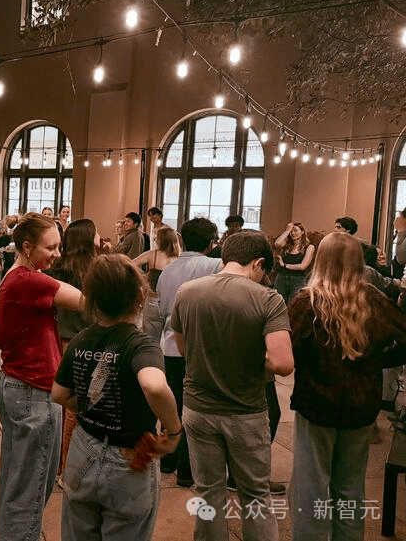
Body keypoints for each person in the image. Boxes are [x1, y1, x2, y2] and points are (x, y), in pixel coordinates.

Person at [172, 231, 293, 541]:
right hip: (246, 412)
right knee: (255, 495)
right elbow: (283, 363)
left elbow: (183, 349)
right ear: (259, 263)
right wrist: (250, 358)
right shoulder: (268, 299)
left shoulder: (187, 292)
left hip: (198, 409)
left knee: (207, 493)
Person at [52, 254, 182, 541]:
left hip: (83, 449)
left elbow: (58, 393)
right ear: (140, 296)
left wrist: (86, 406)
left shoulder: (81, 339)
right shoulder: (140, 345)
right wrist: (173, 431)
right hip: (128, 458)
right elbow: (154, 386)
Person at [288, 232, 406, 540]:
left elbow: (288, 352)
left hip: (316, 402)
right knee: (351, 485)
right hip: (361, 405)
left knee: (311, 484)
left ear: (321, 260)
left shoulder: (306, 302)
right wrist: (378, 360)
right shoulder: (374, 300)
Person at [0, 213, 83, 541]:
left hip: (23, 386)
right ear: (27, 247)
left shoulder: (20, 275)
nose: (57, 254)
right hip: (33, 391)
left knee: (19, 482)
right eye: (51, 247)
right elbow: (84, 300)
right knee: (30, 490)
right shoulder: (28, 280)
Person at [154, 218, 222, 488]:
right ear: (211, 242)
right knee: (194, 411)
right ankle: (186, 471)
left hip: (170, 347)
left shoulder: (167, 271)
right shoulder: (215, 266)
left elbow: (161, 311)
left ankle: (167, 460)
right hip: (202, 348)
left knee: (172, 406)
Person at [48, 219, 99, 477]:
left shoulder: (55, 267)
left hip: (55, 341)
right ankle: (67, 469)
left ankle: (55, 464)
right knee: (75, 409)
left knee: (56, 405)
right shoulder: (95, 270)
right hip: (83, 344)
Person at [133, 226, 180, 342]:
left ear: (162, 240)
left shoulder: (152, 255)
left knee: (150, 339)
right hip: (173, 301)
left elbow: (130, 264)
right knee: (172, 340)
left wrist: (142, 277)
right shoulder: (179, 257)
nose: (155, 240)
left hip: (154, 299)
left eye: (156, 238)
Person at [273, 221, 315, 304]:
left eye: (295, 230)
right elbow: (277, 244)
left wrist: (284, 265)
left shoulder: (309, 247)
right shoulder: (287, 245)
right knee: (277, 303)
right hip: (282, 277)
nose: (292, 233)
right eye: (291, 231)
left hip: (297, 279)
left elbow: (303, 266)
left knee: (294, 304)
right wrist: (287, 231)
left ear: (302, 232)